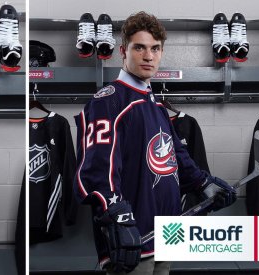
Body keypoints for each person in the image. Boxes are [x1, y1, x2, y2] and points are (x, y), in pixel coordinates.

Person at [74, 11, 236, 275]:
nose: (148, 56)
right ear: (123, 51)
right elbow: (94, 171)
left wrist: (204, 183)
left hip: (166, 235)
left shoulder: (156, 107)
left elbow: (176, 158)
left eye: (155, 48)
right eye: (139, 48)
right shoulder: (109, 100)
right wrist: (116, 214)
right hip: (133, 241)